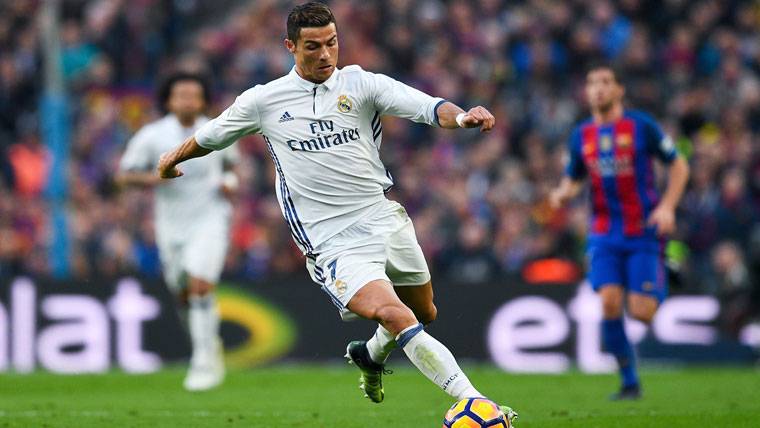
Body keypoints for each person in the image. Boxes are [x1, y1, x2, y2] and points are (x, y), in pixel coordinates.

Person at [156, 2, 517, 423]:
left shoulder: (361, 84)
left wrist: (462, 118)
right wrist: (170, 159)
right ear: (290, 46)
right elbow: (211, 135)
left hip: (383, 217)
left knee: (423, 313)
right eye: (313, 47)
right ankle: (473, 401)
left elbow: (427, 106)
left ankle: (370, 353)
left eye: (332, 43)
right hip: (330, 240)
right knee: (395, 313)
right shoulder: (264, 101)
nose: (325, 54)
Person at [550, 63, 690, 400]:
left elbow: (679, 164)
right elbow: (574, 175)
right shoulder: (581, 134)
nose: (597, 88)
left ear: (618, 90)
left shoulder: (642, 126)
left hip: (642, 230)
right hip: (603, 232)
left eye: (605, 82)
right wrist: (563, 191)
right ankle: (629, 382)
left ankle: (665, 271)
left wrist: (668, 206)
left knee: (642, 313)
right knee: (610, 303)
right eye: (591, 83)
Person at [117, 72, 240, 391]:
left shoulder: (216, 129)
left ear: (203, 99)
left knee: (201, 284)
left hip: (210, 219)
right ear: (169, 100)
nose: (187, 100)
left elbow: (231, 168)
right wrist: (157, 177)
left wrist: (229, 183)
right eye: (181, 95)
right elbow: (124, 175)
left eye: (193, 95)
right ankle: (208, 346)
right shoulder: (153, 135)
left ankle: (202, 361)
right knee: (183, 291)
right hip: (171, 225)